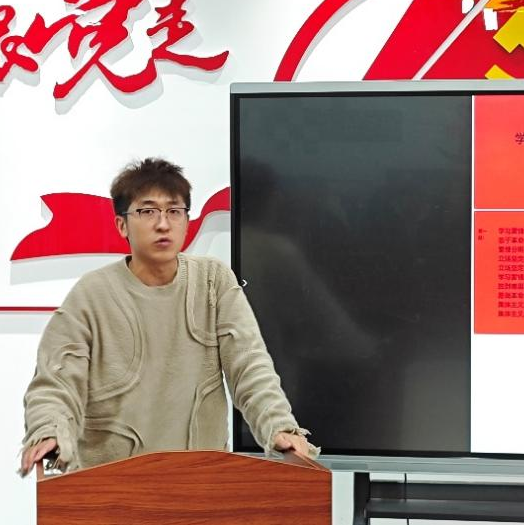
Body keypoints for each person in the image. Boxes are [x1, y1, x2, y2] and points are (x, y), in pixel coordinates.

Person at [19, 158, 315, 475]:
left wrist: (278, 425)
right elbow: (56, 380)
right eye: (148, 211)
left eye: (174, 211)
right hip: (109, 483)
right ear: (121, 224)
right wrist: (48, 432)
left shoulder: (213, 281)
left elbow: (249, 364)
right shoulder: (92, 293)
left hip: (198, 480)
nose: (163, 224)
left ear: (186, 221)